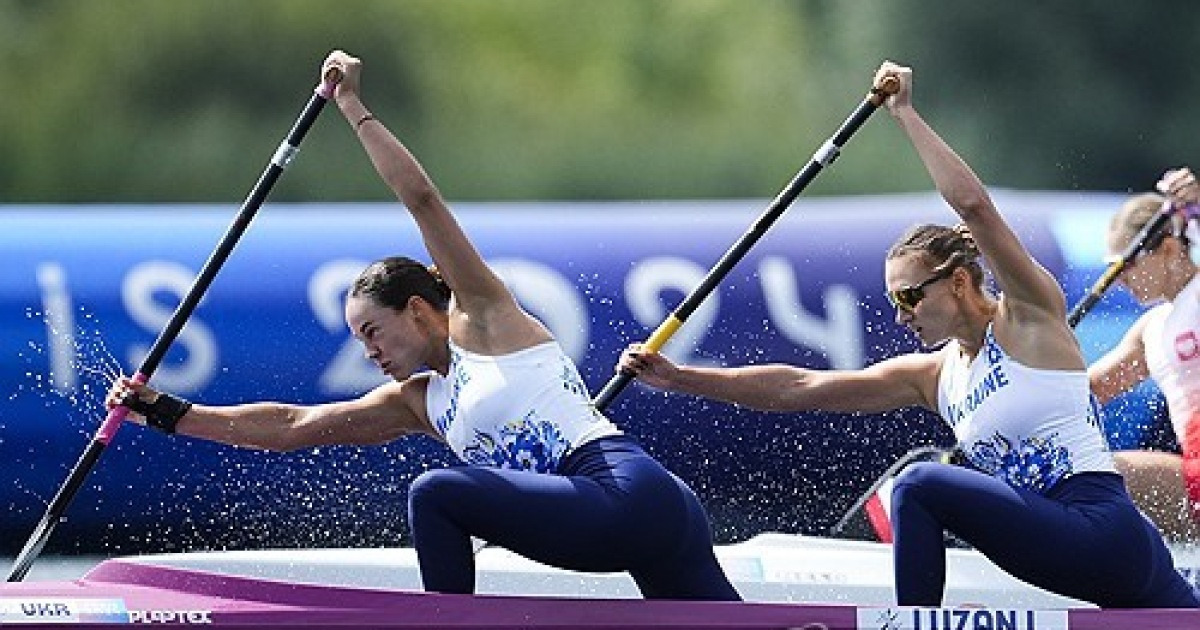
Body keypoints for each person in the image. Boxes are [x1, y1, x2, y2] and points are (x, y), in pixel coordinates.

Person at [106, 49, 740, 601]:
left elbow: (422, 199)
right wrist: (166, 413)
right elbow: (291, 428)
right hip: (620, 517)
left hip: (631, 492)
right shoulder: (417, 403)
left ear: (416, 308)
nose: (370, 352)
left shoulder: (485, 317)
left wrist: (351, 104)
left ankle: (444, 621)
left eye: (373, 332)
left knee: (435, 493)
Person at [618, 61, 1199, 608]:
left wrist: (905, 115)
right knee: (919, 482)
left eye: (910, 295)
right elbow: (801, 386)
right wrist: (681, 378)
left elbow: (973, 205)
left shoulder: (1030, 316)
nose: (902, 315)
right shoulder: (933, 377)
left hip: (1102, 528)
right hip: (1071, 540)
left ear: (961, 282)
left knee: (919, 484)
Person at [1089, 167, 1200, 543]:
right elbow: (1086, 391)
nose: (1119, 279)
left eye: (1127, 264)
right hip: (1195, 479)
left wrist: (1195, 208)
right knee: (1093, 471)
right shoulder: (1151, 329)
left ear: (1168, 248)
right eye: (1111, 268)